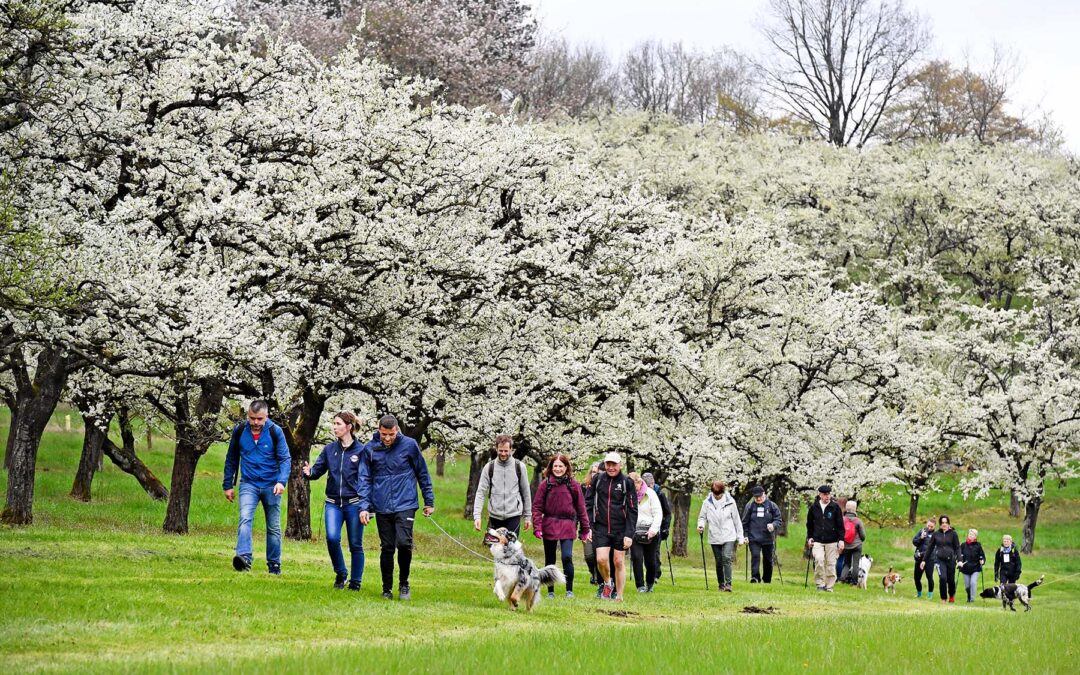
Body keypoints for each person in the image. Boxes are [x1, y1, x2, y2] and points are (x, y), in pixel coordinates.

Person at [358, 414, 435, 601]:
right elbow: (364, 479)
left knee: (404, 544)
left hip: (405, 503)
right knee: (387, 548)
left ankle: (404, 583)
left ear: (397, 431)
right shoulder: (369, 449)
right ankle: (386, 588)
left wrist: (429, 500)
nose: (387, 438)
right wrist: (364, 507)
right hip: (382, 505)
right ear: (379, 431)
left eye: (391, 434)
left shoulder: (409, 445)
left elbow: (422, 472)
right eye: (384, 434)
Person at [222, 400, 290, 574]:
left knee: (273, 526)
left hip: (271, 484)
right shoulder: (239, 431)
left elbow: (285, 459)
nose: (256, 423)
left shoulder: (276, 432)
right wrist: (228, 484)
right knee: (245, 519)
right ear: (248, 415)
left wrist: (281, 482)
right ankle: (244, 559)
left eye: (260, 419)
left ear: (266, 416)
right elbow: (231, 459)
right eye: (252, 418)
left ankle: (274, 564)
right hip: (249, 483)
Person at [302, 411, 366, 590]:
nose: (334, 427)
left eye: (338, 424)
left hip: (354, 503)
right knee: (331, 538)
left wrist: (367, 506)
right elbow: (317, 470)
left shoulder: (362, 451)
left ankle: (355, 582)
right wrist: (310, 473)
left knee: (355, 544)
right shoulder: (329, 450)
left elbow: (368, 480)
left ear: (349, 427)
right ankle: (341, 573)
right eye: (334, 423)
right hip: (332, 503)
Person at [532, 454, 590, 598]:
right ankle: (550, 591)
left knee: (567, 556)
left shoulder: (574, 485)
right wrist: (537, 527)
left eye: (561, 466)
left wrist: (585, 529)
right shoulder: (545, 485)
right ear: (551, 467)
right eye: (555, 466)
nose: (558, 469)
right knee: (550, 559)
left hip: (567, 525)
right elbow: (537, 507)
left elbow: (581, 508)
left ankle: (569, 590)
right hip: (550, 524)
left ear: (566, 467)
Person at [591, 452, 637, 602]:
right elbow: (588, 503)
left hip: (621, 528)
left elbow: (632, 509)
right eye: (608, 464)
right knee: (601, 560)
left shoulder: (627, 482)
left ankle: (619, 596)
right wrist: (588, 527)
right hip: (601, 527)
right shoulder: (597, 480)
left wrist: (629, 534)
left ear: (620, 465)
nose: (611, 467)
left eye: (614, 464)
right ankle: (607, 582)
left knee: (618, 561)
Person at [472, 434, 531, 537]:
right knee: (494, 549)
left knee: (510, 548)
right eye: (501, 451)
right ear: (496, 449)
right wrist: (477, 516)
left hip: (513, 515)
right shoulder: (489, 467)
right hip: (495, 516)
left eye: (506, 451)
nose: (503, 454)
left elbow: (526, 493)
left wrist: (527, 517)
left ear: (511, 449)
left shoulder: (520, 467)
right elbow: (481, 492)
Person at [697, 480, 744, 592]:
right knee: (718, 561)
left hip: (729, 535)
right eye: (715, 494)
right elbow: (702, 517)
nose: (717, 497)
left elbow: (737, 520)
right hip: (714, 536)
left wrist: (740, 537)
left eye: (719, 494)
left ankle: (729, 584)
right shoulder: (706, 503)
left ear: (723, 492)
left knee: (727, 558)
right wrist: (701, 525)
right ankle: (721, 584)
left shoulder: (731, 502)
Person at [805, 484, 845, 592]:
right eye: (825, 494)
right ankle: (820, 584)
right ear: (820, 495)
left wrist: (841, 540)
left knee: (831, 564)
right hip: (818, 540)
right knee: (819, 560)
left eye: (828, 494)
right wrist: (810, 537)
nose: (827, 496)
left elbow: (840, 525)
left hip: (832, 540)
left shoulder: (835, 507)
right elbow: (809, 524)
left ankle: (829, 586)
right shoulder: (814, 508)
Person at [628, 472, 663, 593]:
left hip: (650, 531)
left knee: (650, 561)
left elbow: (658, 513)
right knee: (637, 558)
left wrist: (653, 530)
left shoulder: (650, 494)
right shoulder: (629, 495)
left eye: (633, 485)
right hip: (635, 531)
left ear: (639, 482)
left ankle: (650, 583)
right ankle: (640, 586)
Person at [741, 485, 783, 584]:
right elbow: (745, 522)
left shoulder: (772, 505)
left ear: (764, 494)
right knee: (755, 556)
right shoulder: (750, 506)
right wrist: (745, 535)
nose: (758, 498)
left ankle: (767, 579)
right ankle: (755, 577)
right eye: (756, 497)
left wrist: (773, 525)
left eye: (760, 496)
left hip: (768, 538)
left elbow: (778, 519)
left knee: (768, 559)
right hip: (753, 538)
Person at [922, 514, 960, 603]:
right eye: (942, 522)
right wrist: (924, 560)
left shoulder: (953, 534)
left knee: (951, 580)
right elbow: (930, 548)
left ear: (948, 523)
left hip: (951, 560)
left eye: (946, 522)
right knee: (942, 578)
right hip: (939, 560)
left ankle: (951, 595)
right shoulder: (936, 534)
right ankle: (943, 598)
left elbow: (958, 547)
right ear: (940, 524)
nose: (944, 524)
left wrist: (960, 560)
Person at [642, 473, 671, 581]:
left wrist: (665, 527)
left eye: (651, 485)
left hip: (657, 526)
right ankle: (649, 571)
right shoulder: (641, 493)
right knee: (645, 552)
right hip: (643, 525)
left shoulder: (660, 494)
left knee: (655, 551)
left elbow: (667, 512)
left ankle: (655, 574)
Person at [581, 462, 602, 585]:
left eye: (598, 472)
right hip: (587, 526)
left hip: (601, 527)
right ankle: (593, 572)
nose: (595, 475)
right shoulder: (584, 488)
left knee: (599, 556)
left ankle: (598, 578)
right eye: (593, 472)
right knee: (589, 555)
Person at [839, 501, 866, 585]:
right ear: (855, 509)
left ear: (846, 509)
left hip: (846, 545)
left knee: (846, 563)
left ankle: (842, 579)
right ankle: (854, 582)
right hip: (857, 545)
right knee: (856, 564)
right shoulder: (858, 521)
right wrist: (860, 540)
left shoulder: (842, 520)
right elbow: (863, 536)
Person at [959, 528, 986, 603]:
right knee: (967, 586)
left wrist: (982, 561)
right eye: (970, 534)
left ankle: (972, 600)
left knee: (973, 583)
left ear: (975, 537)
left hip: (975, 568)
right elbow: (959, 555)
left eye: (973, 534)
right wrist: (959, 561)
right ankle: (969, 596)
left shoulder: (978, 545)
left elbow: (982, 556)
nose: (971, 535)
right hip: (965, 568)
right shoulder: (963, 545)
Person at [912, 517, 937, 599]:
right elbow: (914, 542)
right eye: (928, 526)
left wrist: (923, 554)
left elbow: (934, 549)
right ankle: (919, 593)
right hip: (919, 559)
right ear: (926, 524)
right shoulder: (922, 531)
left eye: (931, 527)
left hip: (929, 560)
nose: (929, 528)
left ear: (935, 526)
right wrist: (921, 538)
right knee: (916, 578)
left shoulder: (936, 535)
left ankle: (930, 595)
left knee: (929, 577)